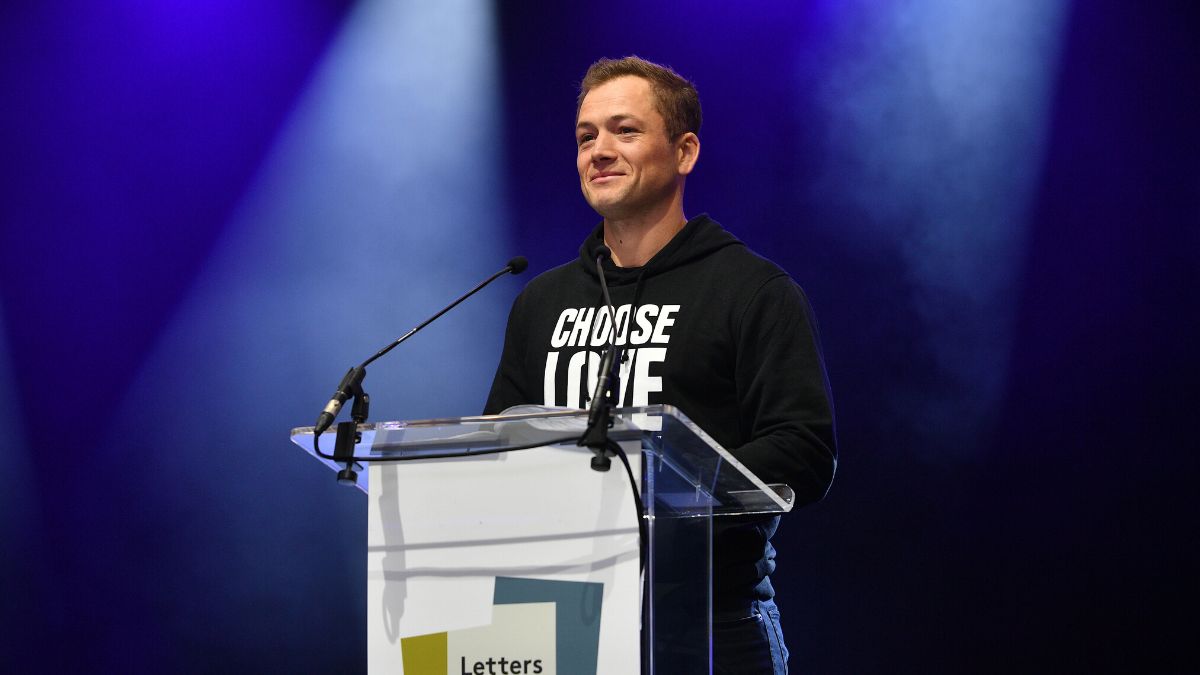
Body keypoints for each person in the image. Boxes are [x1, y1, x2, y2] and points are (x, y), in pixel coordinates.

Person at [484, 55, 836, 674]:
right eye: (585, 136)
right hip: (558, 618)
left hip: (710, 624)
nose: (599, 151)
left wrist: (659, 494)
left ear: (685, 151)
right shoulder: (542, 301)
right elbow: (498, 440)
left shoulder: (752, 290)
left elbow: (803, 450)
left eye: (625, 130)